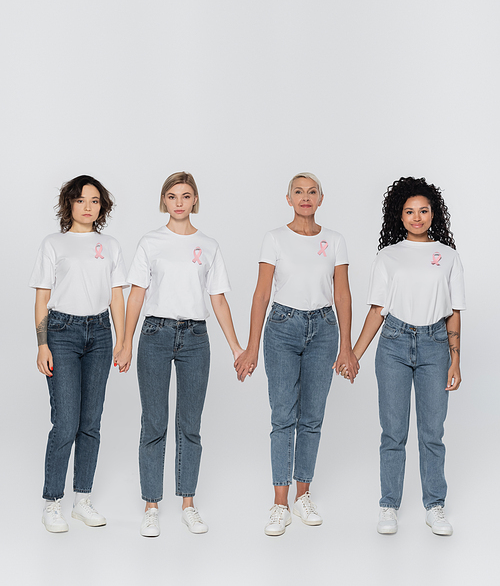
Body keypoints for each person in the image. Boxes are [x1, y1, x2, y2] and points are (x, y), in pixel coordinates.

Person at [235, 173, 358, 535]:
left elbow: (343, 295)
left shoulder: (334, 240)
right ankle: (279, 503)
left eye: (312, 192)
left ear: (321, 198)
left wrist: (347, 346)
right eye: (298, 192)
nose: (305, 197)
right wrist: (252, 346)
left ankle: (303, 494)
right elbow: (260, 294)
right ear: (288, 198)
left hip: (324, 329)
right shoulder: (274, 239)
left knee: (313, 415)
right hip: (282, 328)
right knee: (283, 414)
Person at [341, 176, 464, 536]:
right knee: (393, 431)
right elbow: (378, 309)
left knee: (432, 432)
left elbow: (454, 310)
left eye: (423, 210)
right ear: (399, 215)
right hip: (394, 343)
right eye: (409, 211)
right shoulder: (389, 256)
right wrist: (354, 354)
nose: (416, 217)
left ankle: (435, 505)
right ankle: (389, 505)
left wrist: (455, 359)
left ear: (433, 214)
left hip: (435, 345)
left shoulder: (449, 256)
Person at [122, 171, 242, 537]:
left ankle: (188, 503)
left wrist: (236, 346)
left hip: (195, 337)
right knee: (154, 422)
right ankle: (151, 504)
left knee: (190, 425)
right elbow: (137, 294)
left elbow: (218, 298)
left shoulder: (208, 246)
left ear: (194, 201)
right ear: (164, 201)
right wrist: (125, 341)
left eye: (185, 196)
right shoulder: (150, 242)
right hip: (155, 334)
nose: (178, 202)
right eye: (172, 195)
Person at [30, 175, 128, 533]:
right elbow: (42, 298)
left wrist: (122, 340)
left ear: (102, 207)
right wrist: (42, 343)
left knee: (91, 422)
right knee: (66, 421)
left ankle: (81, 500)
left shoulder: (111, 245)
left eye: (95, 201)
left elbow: (117, 295)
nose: (88, 207)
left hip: (100, 333)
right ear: (69, 203)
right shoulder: (54, 244)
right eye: (81, 200)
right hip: (62, 334)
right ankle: (52, 502)